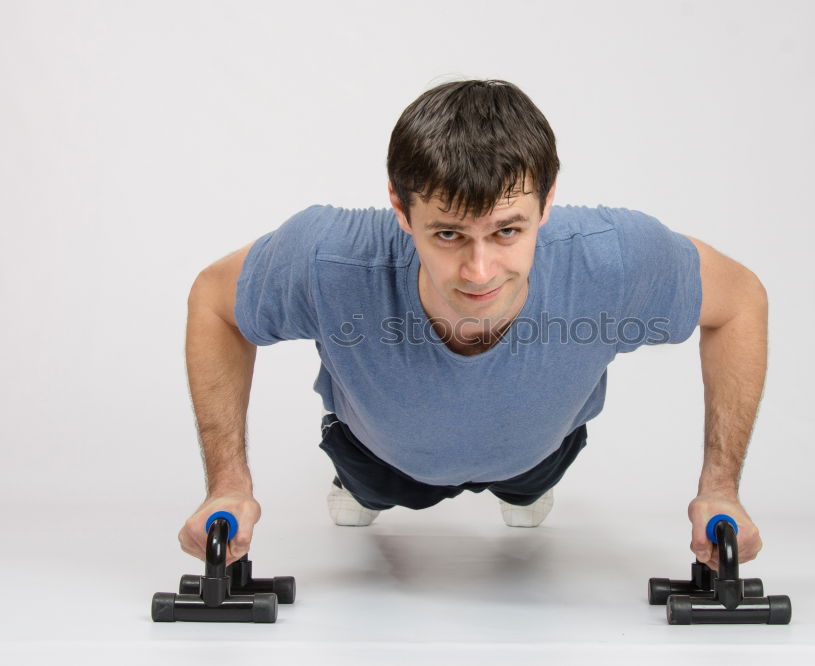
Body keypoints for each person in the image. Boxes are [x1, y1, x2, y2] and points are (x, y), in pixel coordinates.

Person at [178, 79, 768, 572]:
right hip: (379, 458)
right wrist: (227, 483)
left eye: (508, 231)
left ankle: (527, 488)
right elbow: (213, 300)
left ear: (547, 202)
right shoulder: (327, 258)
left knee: (528, 484)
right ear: (400, 208)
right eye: (449, 234)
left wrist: (721, 487)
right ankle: (363, 491)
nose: (479, 270)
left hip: (538, 452)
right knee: (370, 491)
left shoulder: (613, 257)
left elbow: (740, 302)